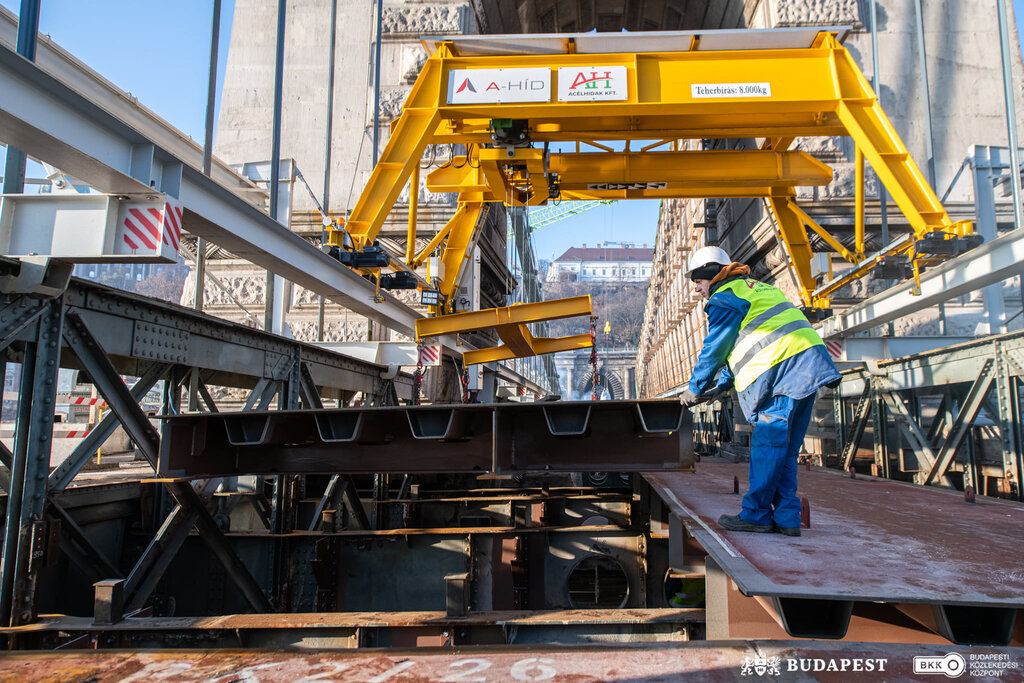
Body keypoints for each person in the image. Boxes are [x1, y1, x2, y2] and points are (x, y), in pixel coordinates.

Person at [679, 246, 840, 537]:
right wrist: (722, 385)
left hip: (780, 371)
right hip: (807, 365)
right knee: (787, 451)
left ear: (709, 274)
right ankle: (788, 519)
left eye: (698, 283)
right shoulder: (756, 289)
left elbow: (715, 350)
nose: (698, 291)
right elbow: (744, 344)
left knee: (768, 445)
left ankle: (755, 516)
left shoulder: (724, 298)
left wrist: (696, 388)